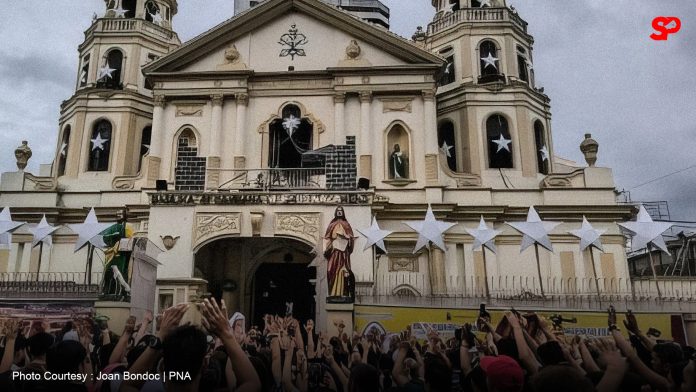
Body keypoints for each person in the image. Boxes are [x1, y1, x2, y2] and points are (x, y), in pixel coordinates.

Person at [324, 206, 356, 302]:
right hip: (334, 251)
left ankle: (343, 292)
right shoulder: (332, 224)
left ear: (343, 213)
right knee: (331, 270)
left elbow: (351, 237)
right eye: (337, 211)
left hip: (343, 253)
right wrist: (330, 245)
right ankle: (333, 292)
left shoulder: (346, 224)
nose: (339, 213)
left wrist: (347, 237)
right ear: (335, 212)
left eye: (340, 211)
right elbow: (327, 238)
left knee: (343, 272)